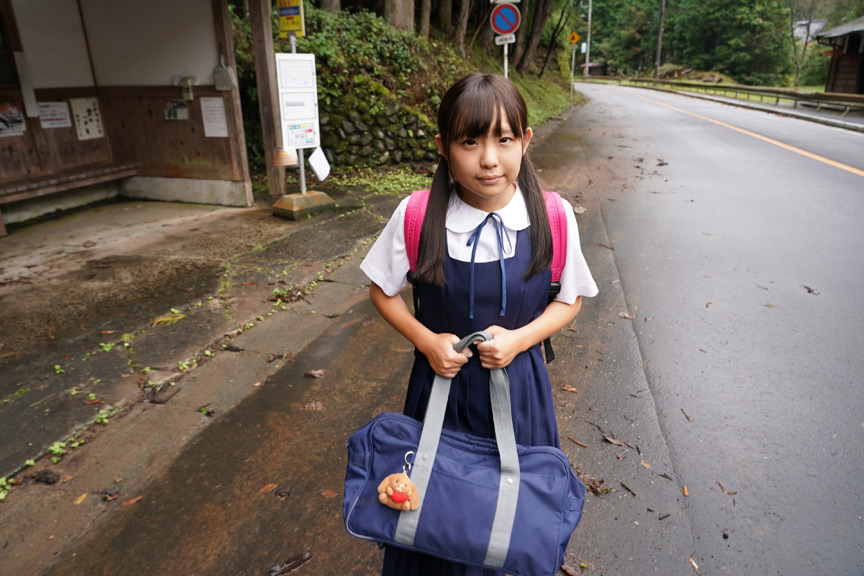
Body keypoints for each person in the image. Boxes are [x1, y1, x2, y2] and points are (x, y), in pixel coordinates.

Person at [359, 73, 598, 575]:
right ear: (444, 147)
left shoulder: (552, 216)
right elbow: (382, 290)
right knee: (432, 517)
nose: (489, 159)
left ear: (525, 141)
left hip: (521, 394)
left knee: (514, 518)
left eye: (503, 139)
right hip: (439, 391)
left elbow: (569, 300)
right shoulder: (418, 215)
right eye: (470, 142)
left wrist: (519, 340)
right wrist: (427, 341)